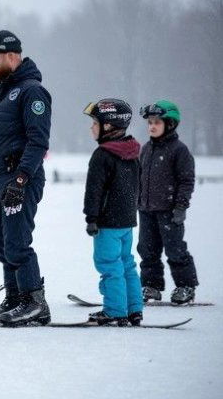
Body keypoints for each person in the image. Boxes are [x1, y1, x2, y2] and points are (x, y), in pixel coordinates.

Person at [0, 30, 52, 327]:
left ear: (12, 56)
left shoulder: (32, 91)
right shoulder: (6, 90)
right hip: (2, 177)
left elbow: (38, 141)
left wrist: (21, 180)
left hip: (21, 178)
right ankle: (15, 298)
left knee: (17, 242)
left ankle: (34, 302)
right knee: (0, 241)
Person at [82, 99, 143, 326]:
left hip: (107, 223)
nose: (91, 128)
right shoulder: (133, 152)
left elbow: (94, 191)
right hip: (127, 220)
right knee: (126, 263)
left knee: (109, 265)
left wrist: (91, 218)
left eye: (95, 123)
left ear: (108, 126)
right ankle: (134, 309)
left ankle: (115, 311)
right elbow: (138, 185)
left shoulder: (102, 155)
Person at [138, 100, 198, 304]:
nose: (152, 126)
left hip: (169, 211)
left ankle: (185, 286)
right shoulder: (146, 149)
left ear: (169, 124)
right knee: (147, 250)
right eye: (150, 123)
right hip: (146, 209)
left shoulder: (179, 150)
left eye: (157, 122)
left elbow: (186, 180)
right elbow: (139, 177)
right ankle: (151, 286)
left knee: (175, 249)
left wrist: (181, 206)